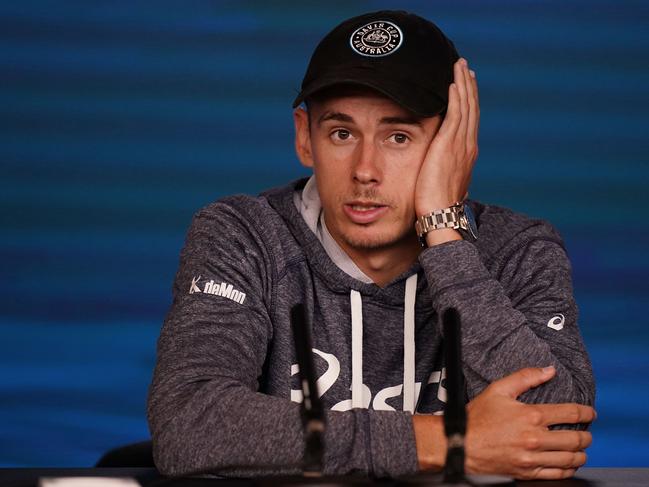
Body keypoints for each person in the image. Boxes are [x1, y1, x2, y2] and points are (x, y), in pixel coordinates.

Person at [148, 10, 595, 480]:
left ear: (455, 146)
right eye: (342, 133)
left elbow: (559, 427)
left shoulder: (517, 249)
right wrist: (451, 440)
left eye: (398, 136)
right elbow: (188, 422)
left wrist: (445, 236)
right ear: (305, 137)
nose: (365, 169)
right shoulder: (244, 236)